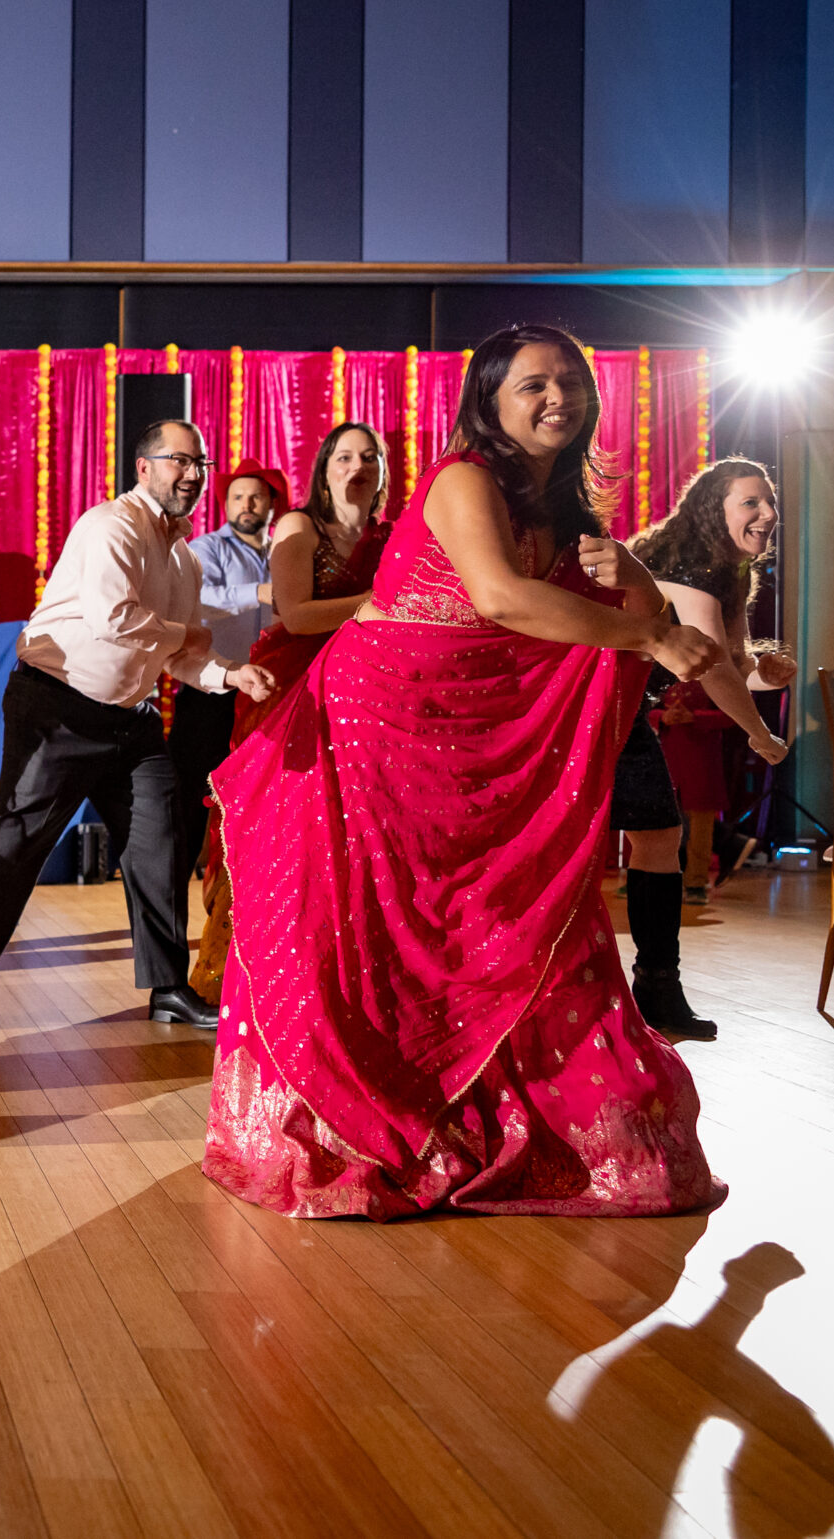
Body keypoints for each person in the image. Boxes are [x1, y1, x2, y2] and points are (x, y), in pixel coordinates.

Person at [202, 324, 727, 1219]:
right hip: (378, 731)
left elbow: (640, 607)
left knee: (508, 922)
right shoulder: (463, 479)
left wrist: (692, 647)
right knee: (370, 932)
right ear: (488, 402)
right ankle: (361, 1130)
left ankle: (512, 1123)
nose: (558, 397)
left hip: (481, 741)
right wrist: (648, 634)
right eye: (534, 385)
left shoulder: (561, 509)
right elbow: (500, 597)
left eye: (571, 382)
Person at [0, 421, 274, 1030]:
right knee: (15, 843)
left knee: (162, 841)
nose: (192, 474)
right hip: (55, 706)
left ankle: (167, 988)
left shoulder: (184, 560)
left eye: (200, 464)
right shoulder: (112, 525)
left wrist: (228, 675)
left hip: (131, 722)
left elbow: (181, 658)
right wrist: (189, 635)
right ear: (143, 468)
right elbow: (116, 619)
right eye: (178, 461)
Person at [190, 426, 392, 988]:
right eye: (345, 456)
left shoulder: (393, 537)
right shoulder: (300, 526)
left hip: (369, 695)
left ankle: (346, 971)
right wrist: (383, 603)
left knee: (357, 835)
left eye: (369, 457)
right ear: (324, 470)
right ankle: (264, 974)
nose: (357, 465)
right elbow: (298, 614)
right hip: (295, 689)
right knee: (283, 831)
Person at [611, 459, 797, 1039]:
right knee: (646, 837)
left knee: (660, 837)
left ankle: (657, 990)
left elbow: (734, 664)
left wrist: (769, 674)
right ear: (712, 509)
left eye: (769, 502)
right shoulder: (689, 565)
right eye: (751, 502)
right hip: (587, 706)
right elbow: (714, 670)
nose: (768, 514)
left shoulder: (727, 571)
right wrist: (759, 734)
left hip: (624, 709)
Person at [173, 458, 285, 881]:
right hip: (212, 689)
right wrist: (257, 592)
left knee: (259, 798)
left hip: (272, 695)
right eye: (238, 496)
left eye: (256, 496)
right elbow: (198, 600)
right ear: (224, 504)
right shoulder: (206, 549)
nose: (247, 504)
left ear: (272, 504)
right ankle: (172, 903)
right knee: (189, 797)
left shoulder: (287, 550)